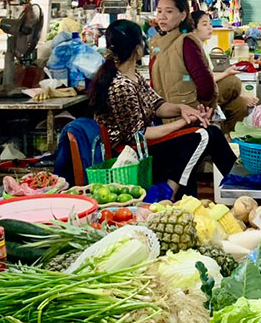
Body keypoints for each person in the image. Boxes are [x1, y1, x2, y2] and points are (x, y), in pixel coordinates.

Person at [91, 20, 237, 196]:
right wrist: (183, 122)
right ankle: (169, 191)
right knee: (202, 135)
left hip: (141, 143)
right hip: (130, 154)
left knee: (210, 132)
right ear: (138, 48)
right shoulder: (121, 85)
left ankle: (238, 183)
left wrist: (182, 109)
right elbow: (138, 134)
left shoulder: (132, 75)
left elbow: (156, 105)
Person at [149, 0, 218, 119]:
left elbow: (206, 85)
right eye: (159, 11)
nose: (162, 17)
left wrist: (198, 110)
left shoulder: (186, 42)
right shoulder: (157, 42)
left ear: (182, 15)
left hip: (188, 117)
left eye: (169, 12)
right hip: (165, 116)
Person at [191, 11, 257, 133]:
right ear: (193, 28)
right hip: (196, 96)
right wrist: (226, 74)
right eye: (205, 24)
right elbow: (201, 80)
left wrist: (226, 72)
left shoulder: (202, 47)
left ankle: (230, 138)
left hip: (208, 90)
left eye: (210, 24)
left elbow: (209, 75)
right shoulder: (192, 49)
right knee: (234, 82)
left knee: (240, 105)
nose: (210, 28)